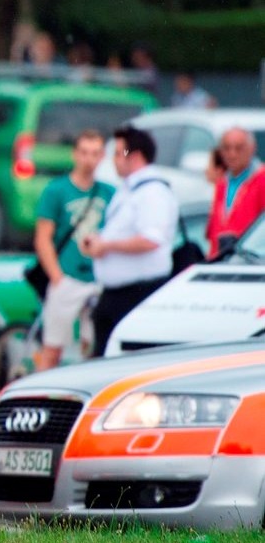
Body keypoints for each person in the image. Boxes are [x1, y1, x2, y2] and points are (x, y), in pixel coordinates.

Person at [82, 125, 178, 357]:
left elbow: (151, 239)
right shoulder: (129, 190)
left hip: (137, 293)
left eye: (119, 153)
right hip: (116, 293)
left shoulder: (152, 192)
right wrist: (100, 242)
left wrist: (106, 246)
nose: (115, 159)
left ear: (134, 156)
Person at [31, 130, 113, 371]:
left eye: (96, 153)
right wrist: (57, 277)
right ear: (75, 155)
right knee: (52, 347)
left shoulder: (109, 193)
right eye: (85, 153)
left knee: (94, 348)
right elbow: (43, 238)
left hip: (97, 278)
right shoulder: (57, 190)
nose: (89, 159)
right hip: (67, 276)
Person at [206, 128, 265, 254]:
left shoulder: (261, 179)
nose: (232, 154)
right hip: (222, 260)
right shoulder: (222, 183)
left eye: (239, 148)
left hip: (250, 259)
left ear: (252, 148)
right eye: (226, 148)